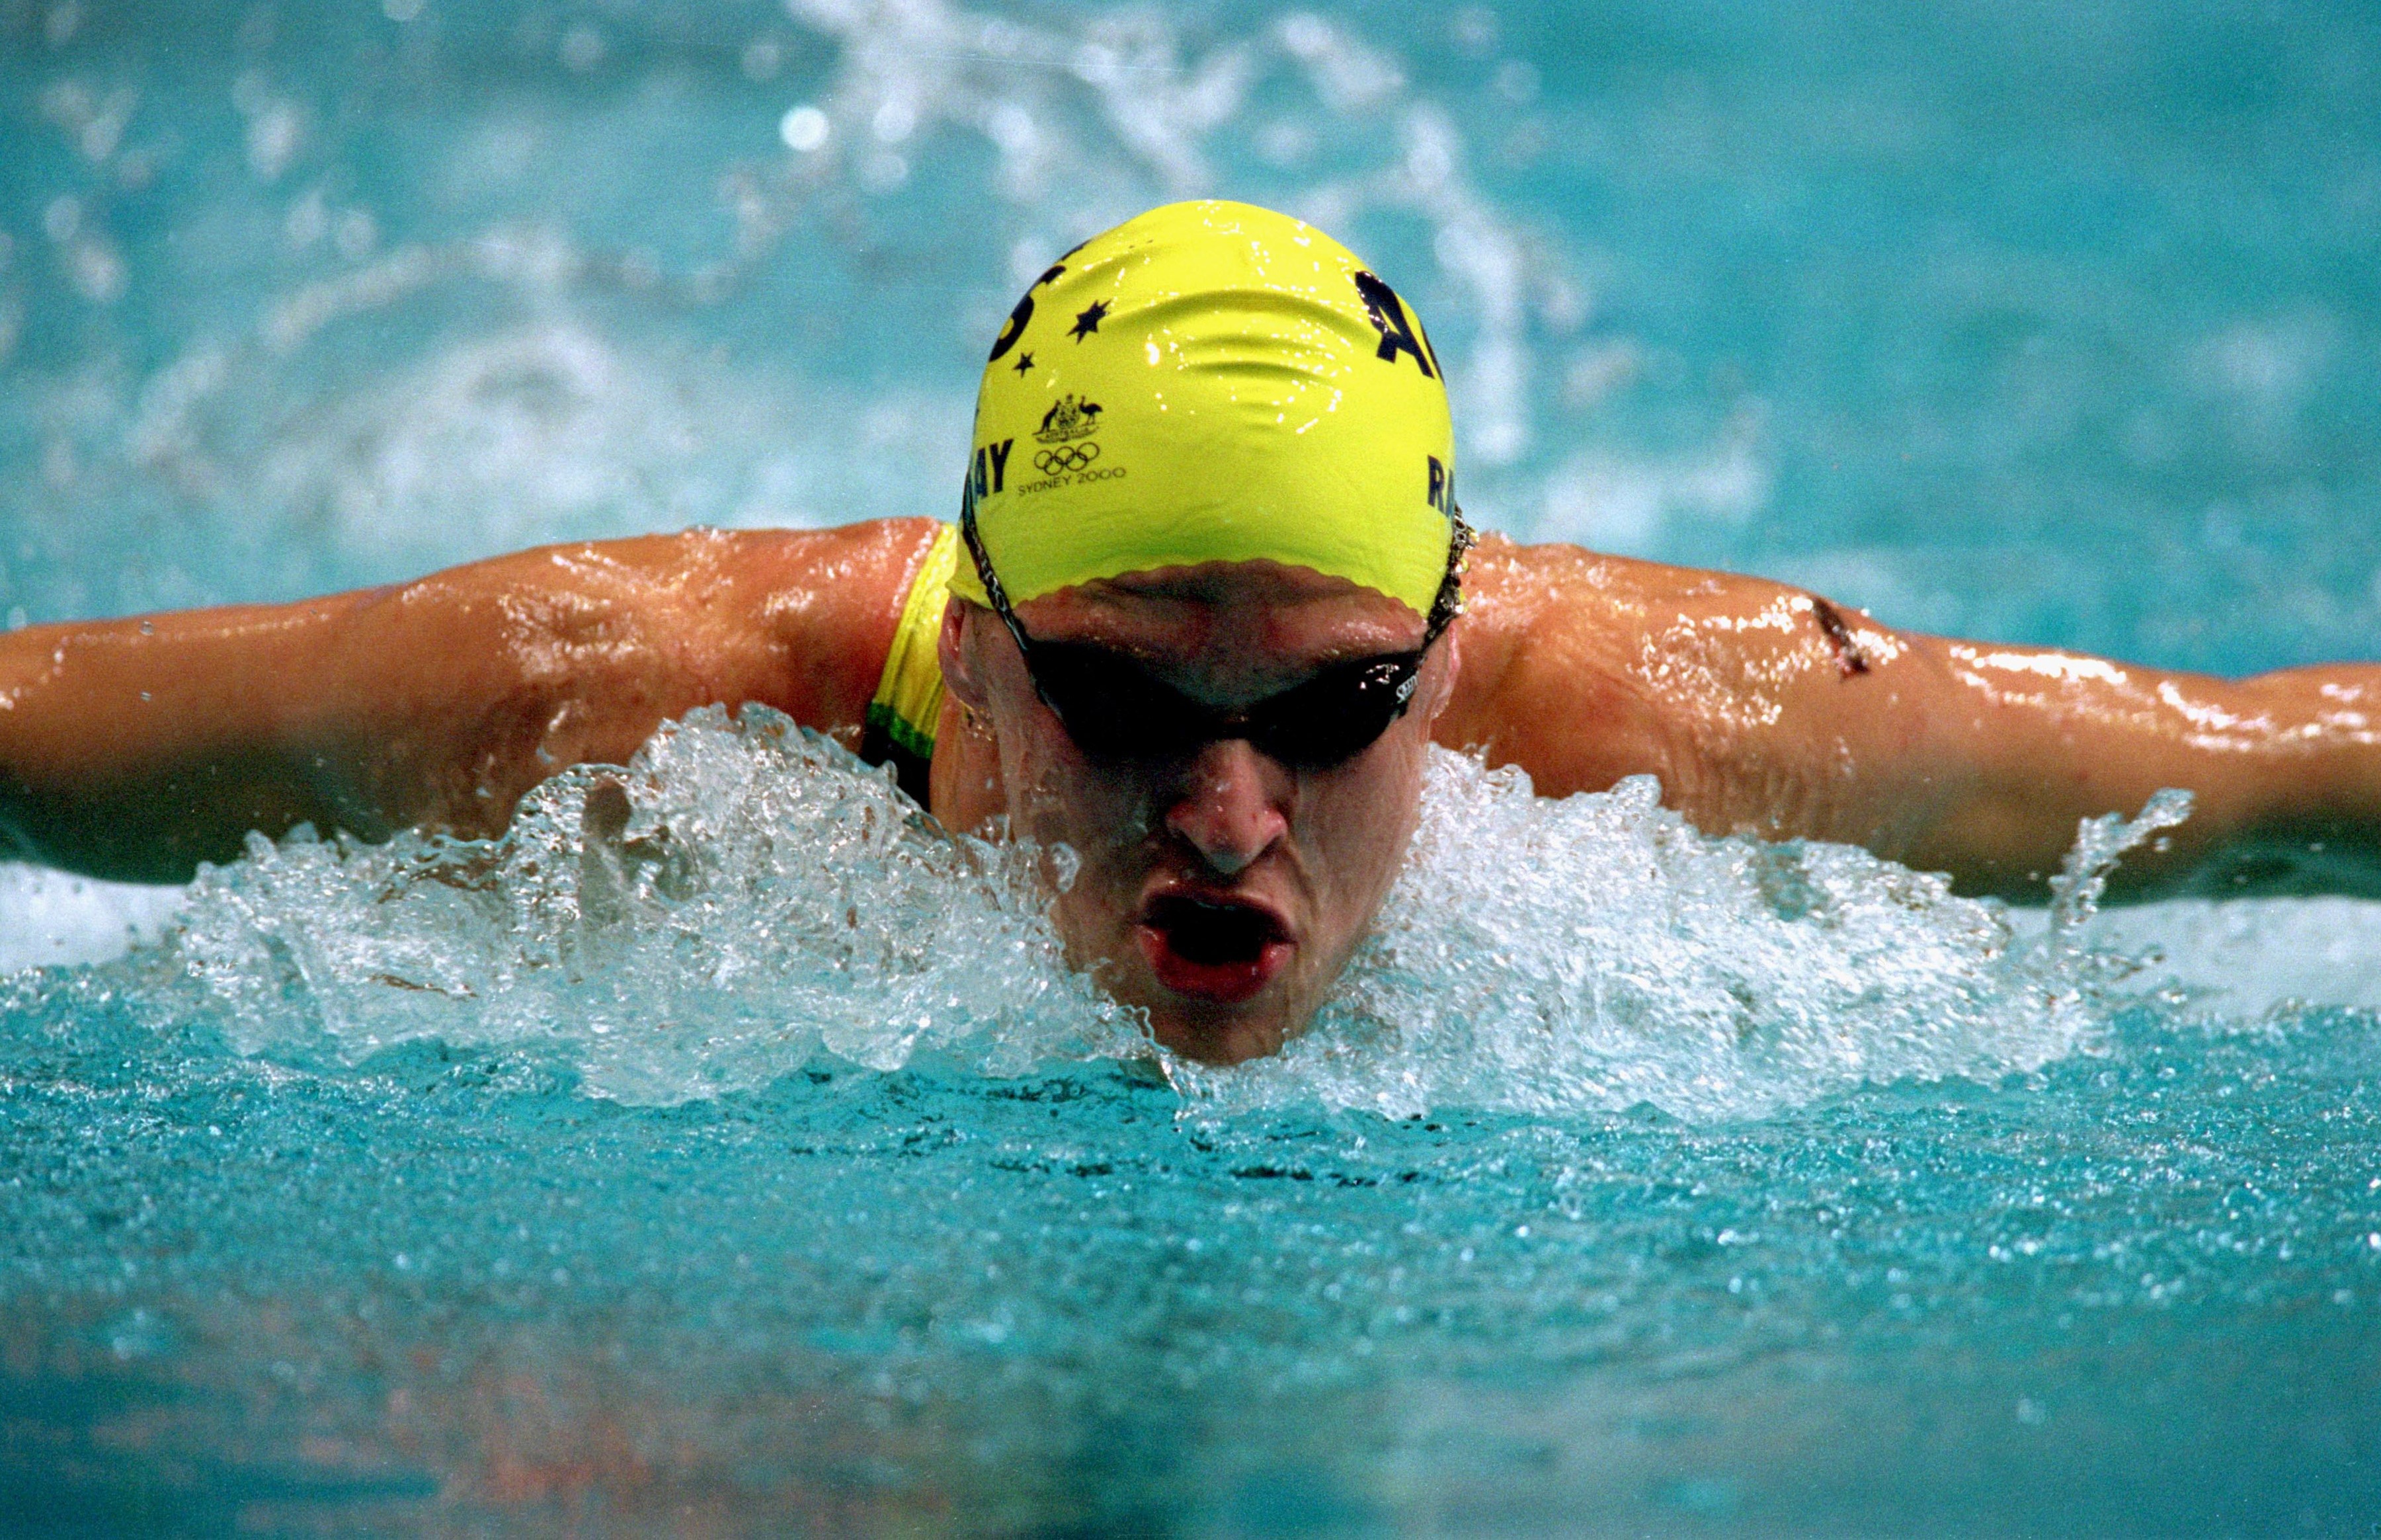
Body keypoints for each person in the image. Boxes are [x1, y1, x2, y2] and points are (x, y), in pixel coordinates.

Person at [3, 201, 2377, 1064]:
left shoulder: (1686, 722)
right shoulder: (613, 701)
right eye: (1127, 701)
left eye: (1334, 706)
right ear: (985, 622)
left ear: (1444, 655)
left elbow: (2283, 766)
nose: (1228, 812)